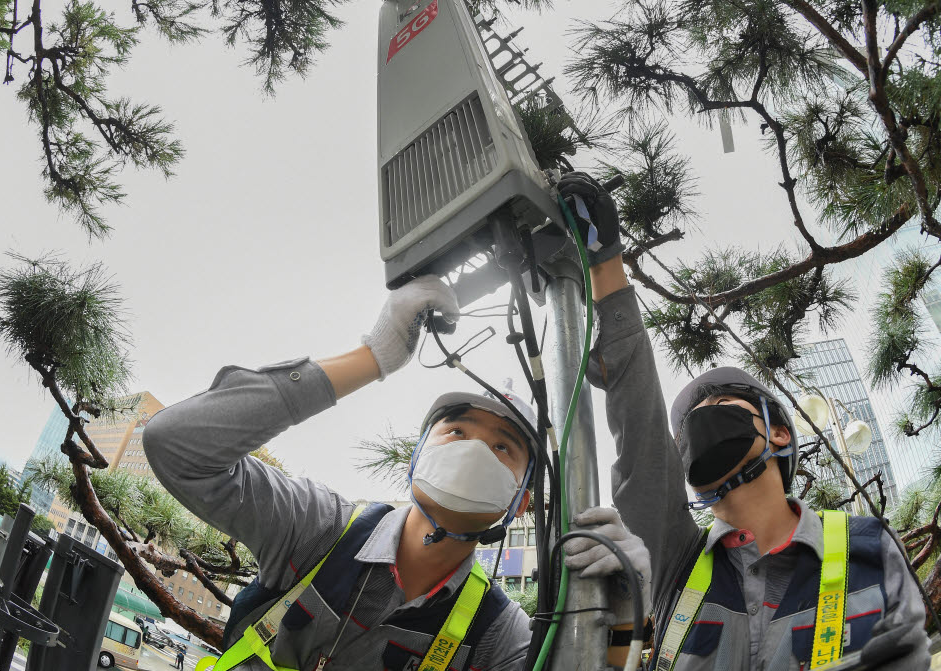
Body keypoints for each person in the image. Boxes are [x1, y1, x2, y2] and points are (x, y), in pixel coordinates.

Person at [143, 240, 653, 668]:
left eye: (503, 447)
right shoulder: (318, 529)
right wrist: (375, 356)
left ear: (522, 501)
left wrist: (626, 611)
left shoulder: (496, 631)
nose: (475, 447)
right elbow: (177, 444)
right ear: (416, 457)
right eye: (455, 430)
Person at [556, 172, 932, 669]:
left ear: (779, 432)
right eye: (687, 423)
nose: (699, 423)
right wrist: (606, 267)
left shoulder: (868, 546)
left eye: (722, 406)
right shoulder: (675, 560)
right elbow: (641, 429)